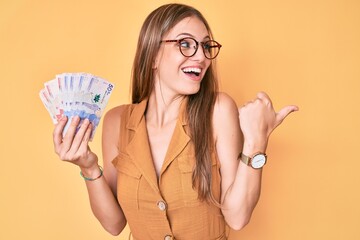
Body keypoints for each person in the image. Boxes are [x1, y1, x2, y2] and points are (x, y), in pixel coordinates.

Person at [53, 3, 298, 240]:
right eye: (186, 44)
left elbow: (237, 217)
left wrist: (256, 141)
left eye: (205, 46)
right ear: (153, 57)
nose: (202, 57)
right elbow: (114, 224)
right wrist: (88, 167)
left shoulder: (218, 110)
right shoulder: (116, 121)